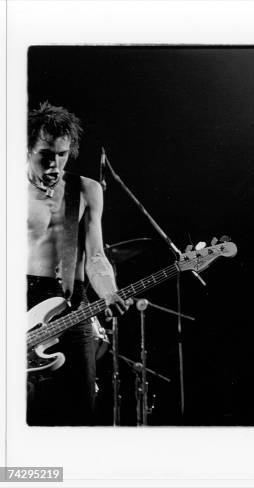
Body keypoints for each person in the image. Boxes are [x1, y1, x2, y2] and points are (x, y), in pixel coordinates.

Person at [27, 102, 129, 425]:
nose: (55, 163)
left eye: (63, 154)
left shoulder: (86, 190)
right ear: (26, 148)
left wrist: (109, 291)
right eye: (46, 154)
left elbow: (96, 256)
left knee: (79, 415)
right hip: (17, 305)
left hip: (73, 309)